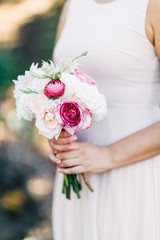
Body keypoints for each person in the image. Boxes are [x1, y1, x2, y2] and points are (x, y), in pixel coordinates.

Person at [49, 0, 160, 239]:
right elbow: (55, 86)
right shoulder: (73, 4)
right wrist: (55, 134)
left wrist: (108, 155)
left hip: (137, 174)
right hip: (76, 177)